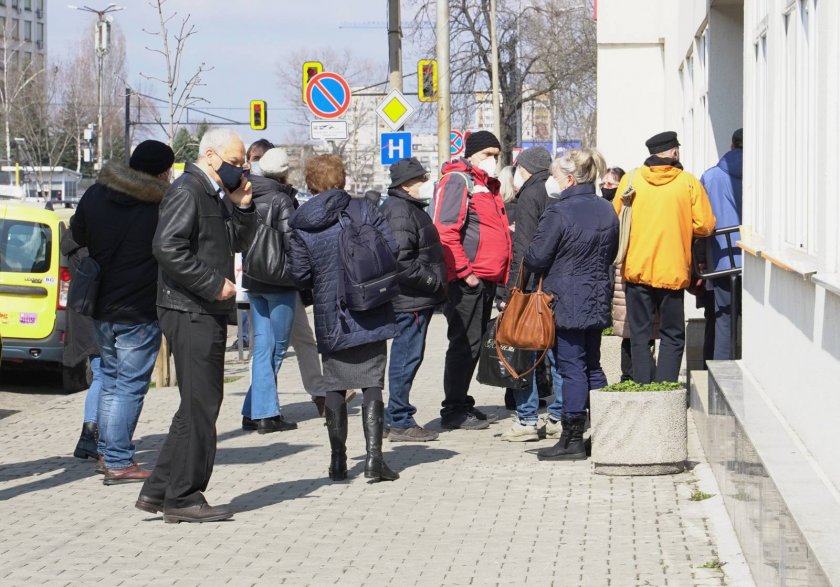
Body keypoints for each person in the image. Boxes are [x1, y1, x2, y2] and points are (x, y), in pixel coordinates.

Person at [138, 128, 256, 523]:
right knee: (202, 404)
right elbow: (166, 246)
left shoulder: (213, 192)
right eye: (236, 162)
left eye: (243, 163)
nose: (242, 169)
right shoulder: (188, 189)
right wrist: (211, 282)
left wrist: (241, 207)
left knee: (197, 404)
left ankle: (160, 490)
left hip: (201, 307)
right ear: (210, 156)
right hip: (189, 308)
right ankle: (184, 497)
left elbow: (237, 243)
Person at [289, 154, 400, 482]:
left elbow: (298, 274)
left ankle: (338, 462)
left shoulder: (301, 222)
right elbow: (391, 248)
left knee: (334, 384)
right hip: (370, 305)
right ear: (342, 179)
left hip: (331, 314)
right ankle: (374, 461)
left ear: (311, 183)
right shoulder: (364, 208)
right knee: (372, 382)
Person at [70, 140, 174, 484]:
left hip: (101, 304)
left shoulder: (97, 193)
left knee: (111, 380)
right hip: (139, 308)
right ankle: (118, 460)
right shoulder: (162, 204)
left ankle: (105, 451)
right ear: (162, 172)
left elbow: (78, 233)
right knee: (128, 385)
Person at [525, 148, 619, 460]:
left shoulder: (559, 212)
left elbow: (537, 257)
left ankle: (573, 438)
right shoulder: (607, 209)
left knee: (571, 367)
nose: (550, 182)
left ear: (567, 179)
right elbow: (611, 252)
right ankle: (606, 431)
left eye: (553, 176)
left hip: (566, 299)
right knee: (592, 364)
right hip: (596, 295)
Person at [614, 131, 716, 384]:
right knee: (672, 333)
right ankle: (666, 385)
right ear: (674, 152)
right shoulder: (688, 182)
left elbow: (615, 216)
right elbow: (705, 225)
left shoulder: (631, 179)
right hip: (672, 270)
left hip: (637, 268)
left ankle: (643, 385)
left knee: (639, 333)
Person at [434, 130, 512, 430]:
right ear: (472, 154)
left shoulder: (486, 185)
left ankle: (462, 401)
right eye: (487, 155)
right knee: (463, 344)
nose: (492, 160)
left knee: (474, 344)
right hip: (468, 280)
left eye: (496, 155)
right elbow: (445, 230)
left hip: (485, 279)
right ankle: (452, 409)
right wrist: (466, 274)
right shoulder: (459, 180)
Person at [497, 147, 565, 442]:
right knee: (558, 353)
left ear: (523, 170)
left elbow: (523, 248)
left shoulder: (529, 196)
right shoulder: (558, 191)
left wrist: (512, 290)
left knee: (523, 352)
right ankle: (559, 417)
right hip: (559, 285)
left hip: (531, 286)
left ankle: (526, 420)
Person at [380, 157, 447, 442]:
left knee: (408, 356)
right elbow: (401, 260)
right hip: (411, 299)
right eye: (422, 179)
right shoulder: (400, 211)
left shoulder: (405, 207)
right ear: (408, 184)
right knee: (406, 357)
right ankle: (399, 419)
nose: (426, 183)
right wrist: (431, 280)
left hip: (414, 298)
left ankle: (394, 417)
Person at [239, 148, 299, 434]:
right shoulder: (282, 199)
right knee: (276, 349)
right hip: (280, 282)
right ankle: (266, 415)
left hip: (253, 280)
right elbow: (293, 242)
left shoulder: (247, 193)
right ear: (285, 172)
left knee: (262, 349)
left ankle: (252, 411)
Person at [61, 230, 104, 466]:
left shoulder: (74, 243)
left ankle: (89, 435)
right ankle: (90, 436)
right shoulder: (90, 248)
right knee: (103, 375)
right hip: (95, 316)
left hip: (83, 315)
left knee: (101, 374)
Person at [228, 140, 275, 352]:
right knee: (245, 296)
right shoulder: (240, 183)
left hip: (267, 259)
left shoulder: (276, 190)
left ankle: (253, 337)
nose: (252, 164)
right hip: (246, 253)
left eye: (257, 160)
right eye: (251, 159)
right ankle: (246, 336)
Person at [701, 128, 743, 360]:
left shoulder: (710, 176)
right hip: (754, 259)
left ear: (732, 146)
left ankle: (721, 375)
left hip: (721, 257)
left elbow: (699, 218)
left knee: (723, 319)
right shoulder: (763, 173)